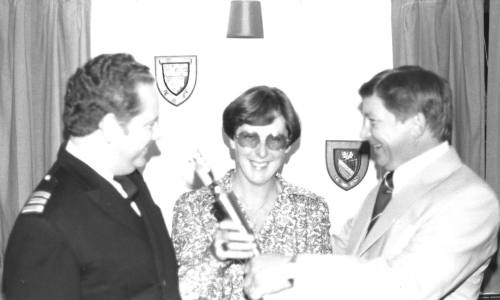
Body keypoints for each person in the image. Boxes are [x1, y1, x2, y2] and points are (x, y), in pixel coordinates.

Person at [243, 66, 500, 300]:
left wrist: (292, 268)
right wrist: (251, 238)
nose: (363, 133)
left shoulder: (471, 199)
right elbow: (339, 251)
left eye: (373, 121)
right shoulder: (386, 189)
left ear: (416, 125)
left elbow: (404, 286)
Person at [2, 53, 182, 300]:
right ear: (109, 127)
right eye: (149, 125)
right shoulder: (46, 225)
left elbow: (155, 284)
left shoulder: (129, 178)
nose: (157, 135)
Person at [171, 85, 332, 300]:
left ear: (287, 147)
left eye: (275, 140)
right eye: (249, 138)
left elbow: (323, 291)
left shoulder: (311, 210)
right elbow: (178, 295)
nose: (262, 152)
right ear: (231, 140)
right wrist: (213, 258)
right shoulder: (193, 207)